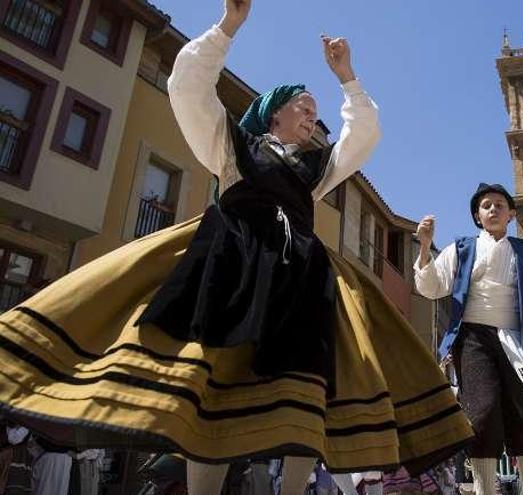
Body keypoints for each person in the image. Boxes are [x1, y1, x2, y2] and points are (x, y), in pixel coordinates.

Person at [0, 2, 473, 495]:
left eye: (315, 110)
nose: (314, 117)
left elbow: (362, 136)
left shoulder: (315, 171)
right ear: (274, 113)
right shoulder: (232, 145)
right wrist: (229, 26)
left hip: (298, 278)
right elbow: (186, 86)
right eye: (304, 108)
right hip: (232, 262)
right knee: (215, 390)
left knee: (299, 389)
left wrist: (347, 77)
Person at [414, 180, 523, 495]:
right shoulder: (461, 249)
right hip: (472, 341)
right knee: (482, 414)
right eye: (486, 205)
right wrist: (425, 247)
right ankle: (484, 491)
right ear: (478, 217)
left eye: (500, 205)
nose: (493, 209)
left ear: (511, 215)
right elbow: (431, 287)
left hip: (514, 342)